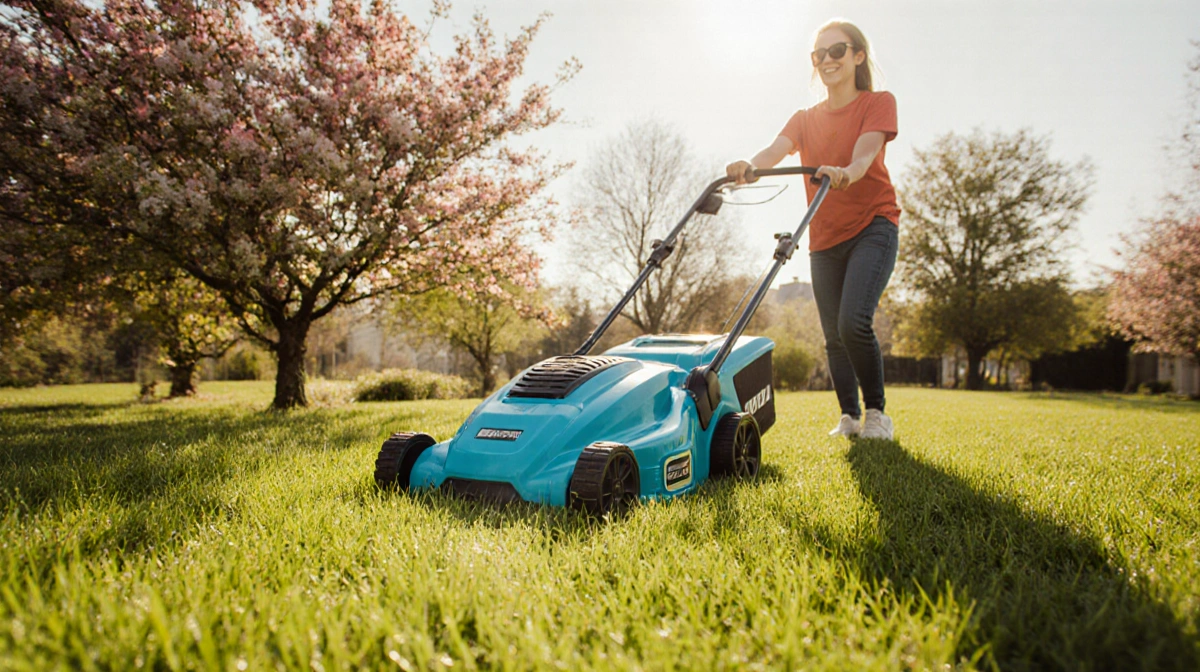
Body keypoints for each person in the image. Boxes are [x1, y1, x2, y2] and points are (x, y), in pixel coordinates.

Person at [727, 19, 899, 440]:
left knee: (852, 322)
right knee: (832, 336)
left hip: (873, 226)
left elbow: (865, 154)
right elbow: (774, 150)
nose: (826, 61)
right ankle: (849, 418)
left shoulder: (877, 103)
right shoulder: (805, 119)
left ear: (858, 55)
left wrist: (848, 171)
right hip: (824, 235)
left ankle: (877, 414)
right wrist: (749, 167)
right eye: (818, 55)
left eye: (836, 52)